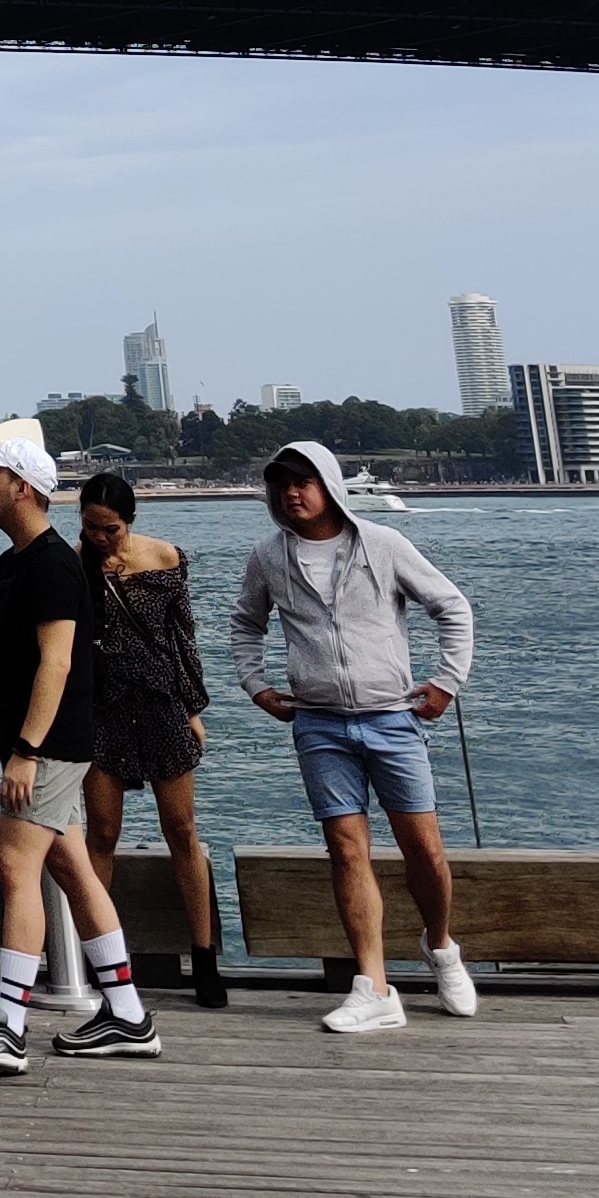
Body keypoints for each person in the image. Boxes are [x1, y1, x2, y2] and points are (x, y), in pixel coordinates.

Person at [229, 438, 478, 1034]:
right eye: (282, 484)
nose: (292, 493)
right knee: (346, 849)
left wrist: (446, 683)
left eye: (303, 482)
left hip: (393, 718)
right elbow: (245, 623)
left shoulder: (383, 544)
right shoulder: (268, 557)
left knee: (424, 851)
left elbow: (452, 607)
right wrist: (256, 685)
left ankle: (441, 946)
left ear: (329, 485)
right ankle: (374, 987)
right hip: (318, 723)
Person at [0, 434, 164, 1072]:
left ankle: (8, 1024)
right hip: (37, 745)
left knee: (17, 868)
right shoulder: (12, 563)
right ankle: (127, 1015)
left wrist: (27, 752)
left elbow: (58, 663)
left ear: (22, 488)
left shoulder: (53, 567)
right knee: (72, 870)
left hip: (50, 747)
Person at [79, 473, 228, 1011]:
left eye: (111, 529)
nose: (101, 538)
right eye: (91, 527)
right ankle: (98, 963)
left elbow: (183, 639)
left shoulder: (166, 558)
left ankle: (205, 956)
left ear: (130, 520)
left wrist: (193, 709)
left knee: (182, 829)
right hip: (101, 709)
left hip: (162, 702)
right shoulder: (74, 566)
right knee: (102, 833)